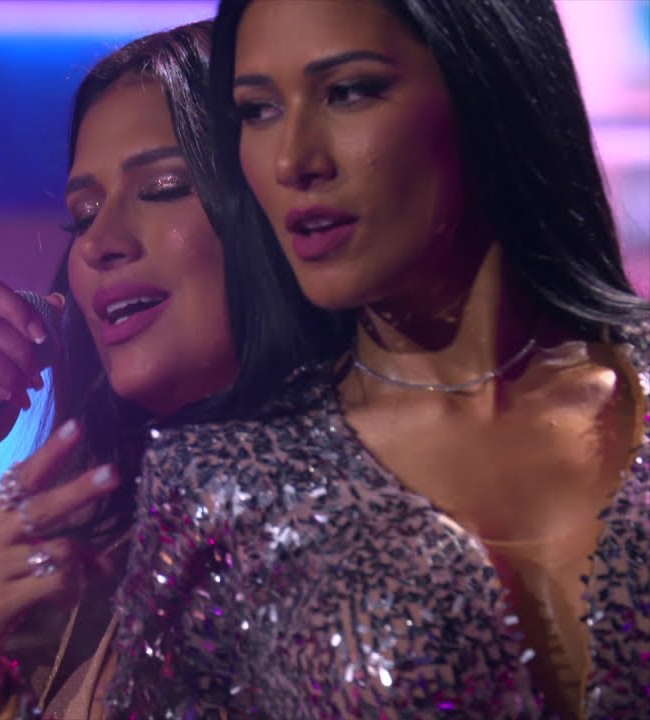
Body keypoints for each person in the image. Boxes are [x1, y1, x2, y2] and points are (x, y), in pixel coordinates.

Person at [106, 0, 650, 718]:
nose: (293, 160)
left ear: (487, 85)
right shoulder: (219, 487)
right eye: (258, 111)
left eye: (349, 92)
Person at [0, 19, 337, 720]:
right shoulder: (69, 546)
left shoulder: (377, 514)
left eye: (163, 187)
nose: (98, 244)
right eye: (83, 215)